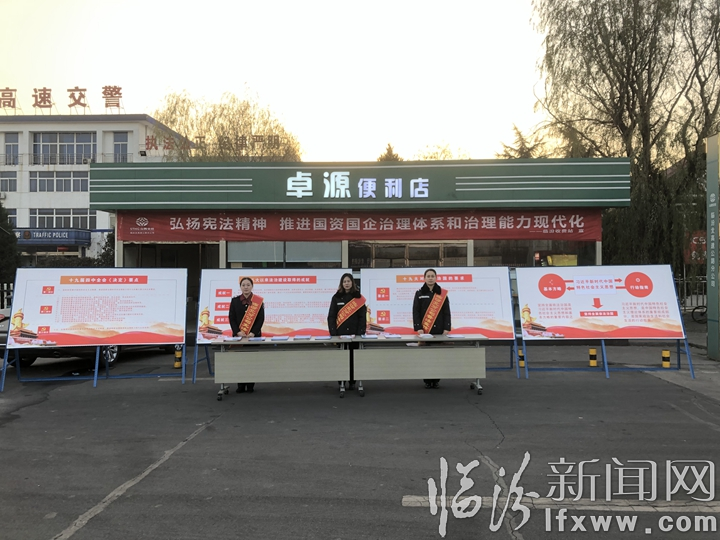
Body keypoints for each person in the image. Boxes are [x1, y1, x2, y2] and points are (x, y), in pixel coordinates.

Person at [412, 268, 451, 389]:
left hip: (439, 330)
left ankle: (436, 380)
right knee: (426, 357)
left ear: (436, 278)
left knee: (438, 356)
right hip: (425, 331)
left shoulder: (441, 294)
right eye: (428, 276)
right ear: (424, 278)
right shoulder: (419, 293)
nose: (430, 278)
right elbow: (415, 312)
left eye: (432, 276)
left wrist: (447, 327)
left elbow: (447, 312)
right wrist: (418, 327)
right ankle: (427, 380)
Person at [327, 273, 367, 389]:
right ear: (341, 283)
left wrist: (360, 333)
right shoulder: (336, 297)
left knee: (354, 359)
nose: (346, 283)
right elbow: (331, 316)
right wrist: (333, 334)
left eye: (348, 281)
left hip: (355, 334)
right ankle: (341, 382)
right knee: (341, 359)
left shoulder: (358, 298)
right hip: (340, 334)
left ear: (352, 283)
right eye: (344, 281)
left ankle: (353, 382)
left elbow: (362, 317)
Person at [228, 277, 265, 393]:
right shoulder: (235, 301)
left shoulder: (258, 302)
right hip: (239, 337)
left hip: (253, 337)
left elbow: (260, 319)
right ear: (240, 287)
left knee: (252, 361)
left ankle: (250, 385)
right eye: (243, 285)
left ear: (252, 286)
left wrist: (253, 332)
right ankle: (240, 385)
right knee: (239, 361)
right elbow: (232, 318)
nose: (246, 287)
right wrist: (237, 332)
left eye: (248, 285)